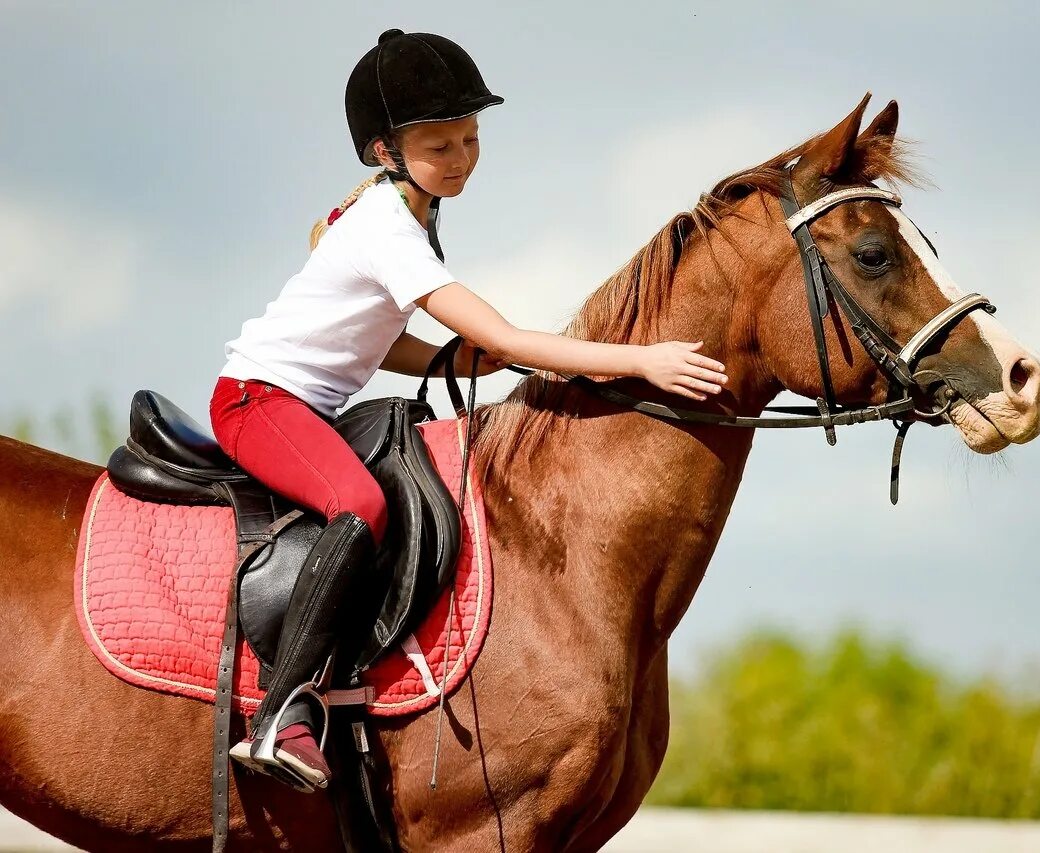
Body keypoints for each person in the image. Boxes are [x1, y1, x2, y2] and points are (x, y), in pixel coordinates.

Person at [207, 28, 729, 791]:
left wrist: (451, 360)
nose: (461, 159)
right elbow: (507, 337)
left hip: (307, 402)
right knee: (358, 502)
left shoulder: (407, 211)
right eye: (440, 146)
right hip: (257, 401)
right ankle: (282, 708)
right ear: (386, 150)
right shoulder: (390, 226)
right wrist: (643, 359)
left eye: (471, 138)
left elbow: (370, 342)